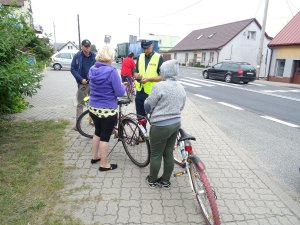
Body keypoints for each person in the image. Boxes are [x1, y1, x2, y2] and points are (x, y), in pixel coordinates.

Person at [144, 59, 186, 189]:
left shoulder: (159, 86)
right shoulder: (181, 87)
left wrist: (150, 110)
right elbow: (182, 106)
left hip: (160, 125)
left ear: (164, 71)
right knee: (168, 153)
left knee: (156, 154)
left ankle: (152, 180)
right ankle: (166, 181)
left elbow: (148, 105)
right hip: (176, 123)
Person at [87, 46, 126, 171]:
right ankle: (104, 164)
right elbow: (119, 92)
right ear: (110, 56)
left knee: (97, 132)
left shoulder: (92, 69)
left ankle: (95, 157)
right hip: (107, 109)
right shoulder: (112, 71)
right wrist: (123, 86)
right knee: (105, 136)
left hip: (93, 107)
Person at [134, 40, 164, 128]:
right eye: (143, 48)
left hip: (153, 92)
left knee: (154, 116)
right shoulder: (140, 57)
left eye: (147, 48)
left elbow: (162, 76)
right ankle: (142, 135)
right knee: (140, 115)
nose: (145, 50)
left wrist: (149, 79)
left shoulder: (159, 57)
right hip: (140, 91)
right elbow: (135, 72)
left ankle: (154, 135)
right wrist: (137, 75)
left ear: (152, 45)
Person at [71, 39, 96, 130]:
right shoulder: (77, 56)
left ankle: (92, 120)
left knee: (93, 103)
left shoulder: (94, 56)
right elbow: (73, 69)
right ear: (82, 46)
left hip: (93, 84)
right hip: (83, 84)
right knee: (80, 104)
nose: (87, 48)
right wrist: (81, 79)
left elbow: (97, 67)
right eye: (85, 46)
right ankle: (78, 125)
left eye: (88, 46)